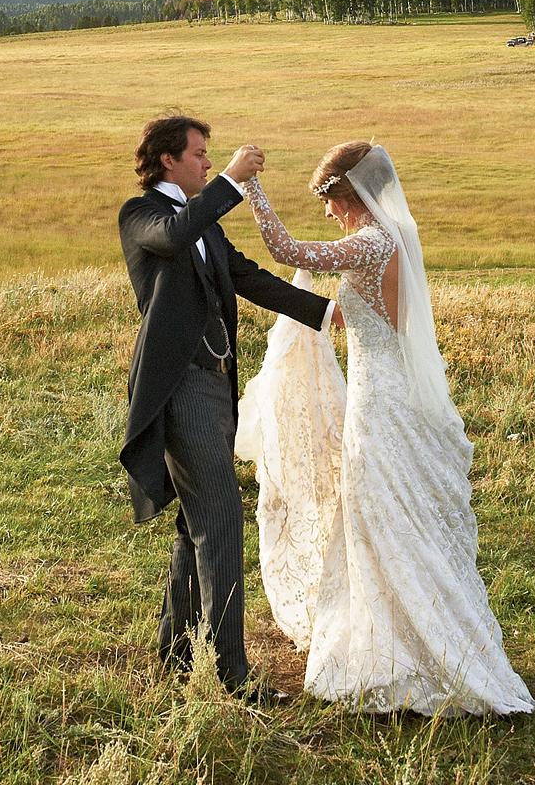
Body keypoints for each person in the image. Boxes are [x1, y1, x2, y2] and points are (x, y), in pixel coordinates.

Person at [236, 141, 535, 715]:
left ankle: (404, 645)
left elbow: (284, 248)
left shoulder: (370, 243)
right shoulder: (396, 237)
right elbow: (362, 309)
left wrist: (250, 187)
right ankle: (398, 626)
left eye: (327, 201)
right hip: (390, 389)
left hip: (378, 399)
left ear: (345, 195)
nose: (328, 214)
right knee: (385, 508)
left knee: (377, 509)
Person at [117, 115, 334, 698]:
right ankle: (232, 676)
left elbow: (247, 277)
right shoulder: (143, 217)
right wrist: (233, 182)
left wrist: (328, 314)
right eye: (199, 155)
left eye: (213, 157)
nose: (208, 163)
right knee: (220, 520)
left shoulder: (203, 225)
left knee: (198, 523)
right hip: (180, 388)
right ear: (168, 160)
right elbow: (173, 236)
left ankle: (176, 652)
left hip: (216, 384)